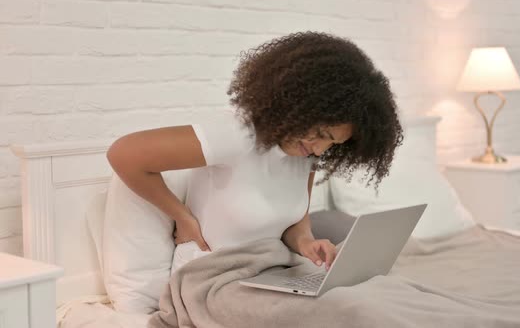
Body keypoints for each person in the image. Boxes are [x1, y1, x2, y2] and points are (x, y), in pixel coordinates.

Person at [106, 31, 404, 273]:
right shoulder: (237, 134)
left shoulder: (306, 155)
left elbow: (295, 222)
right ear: (301, 104)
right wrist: (182, 217)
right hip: (211, 279)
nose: (320, 148)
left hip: (271, 273)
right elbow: (125, 154)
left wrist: (307, 243)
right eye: (321, 134)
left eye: (333, 144)